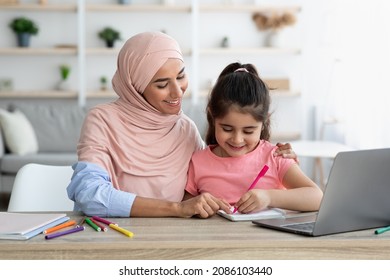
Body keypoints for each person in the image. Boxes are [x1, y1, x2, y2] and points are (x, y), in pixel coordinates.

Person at [67, 31, 297, 218]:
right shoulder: (103, 120)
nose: (177, 91)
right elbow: (90, 195)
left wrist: (274, 156)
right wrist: (177, 209)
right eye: (161, 84)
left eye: (180, 76)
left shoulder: (185, 128)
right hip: (114, 233)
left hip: (175, 236)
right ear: (135, 87)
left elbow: (216, 170)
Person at [184, 63, 323, 214]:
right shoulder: (198, 162)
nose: (237, 139)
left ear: (263, 123)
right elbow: (187, 206)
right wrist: (199, 205)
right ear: (212, 116)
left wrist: (269, 197)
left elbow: (317, 197)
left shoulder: (275, 156)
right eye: (227, 129)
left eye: (248, 131)